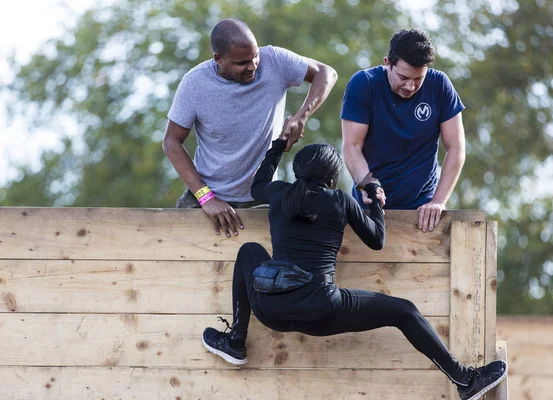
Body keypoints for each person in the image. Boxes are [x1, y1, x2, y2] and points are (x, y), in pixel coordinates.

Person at [201, 136, 507, 400]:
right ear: (333, 178)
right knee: (405, 311)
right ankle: (464, 380)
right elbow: (376, 240)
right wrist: (375, 199)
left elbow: (258, 185)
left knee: (248, 252)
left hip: (270, 311)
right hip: (321, 310)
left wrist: (280, 145)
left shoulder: (280, 194)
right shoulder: (340, 201)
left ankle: (236, 340)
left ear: (297, 173)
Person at [163, 19, 337, 238]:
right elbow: (171, 142)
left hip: (262, 195)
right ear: (219, 59)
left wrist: (302, 115)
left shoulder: (274, 60)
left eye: (255, 56)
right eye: (243, 62)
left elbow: (326, 73)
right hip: (208, 196)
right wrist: (206, 198)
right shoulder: (194, 84)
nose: (253, 65)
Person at [341, 28, 466, 233]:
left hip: (423, 210)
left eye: (418, 79)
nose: (410, 86)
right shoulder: (363, 84)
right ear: (387, 63)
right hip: (370, 208)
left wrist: (439, 201)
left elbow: (456, 148)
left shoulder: (440, 85)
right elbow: (352, 146)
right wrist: (367, 184)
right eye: (403, 77)